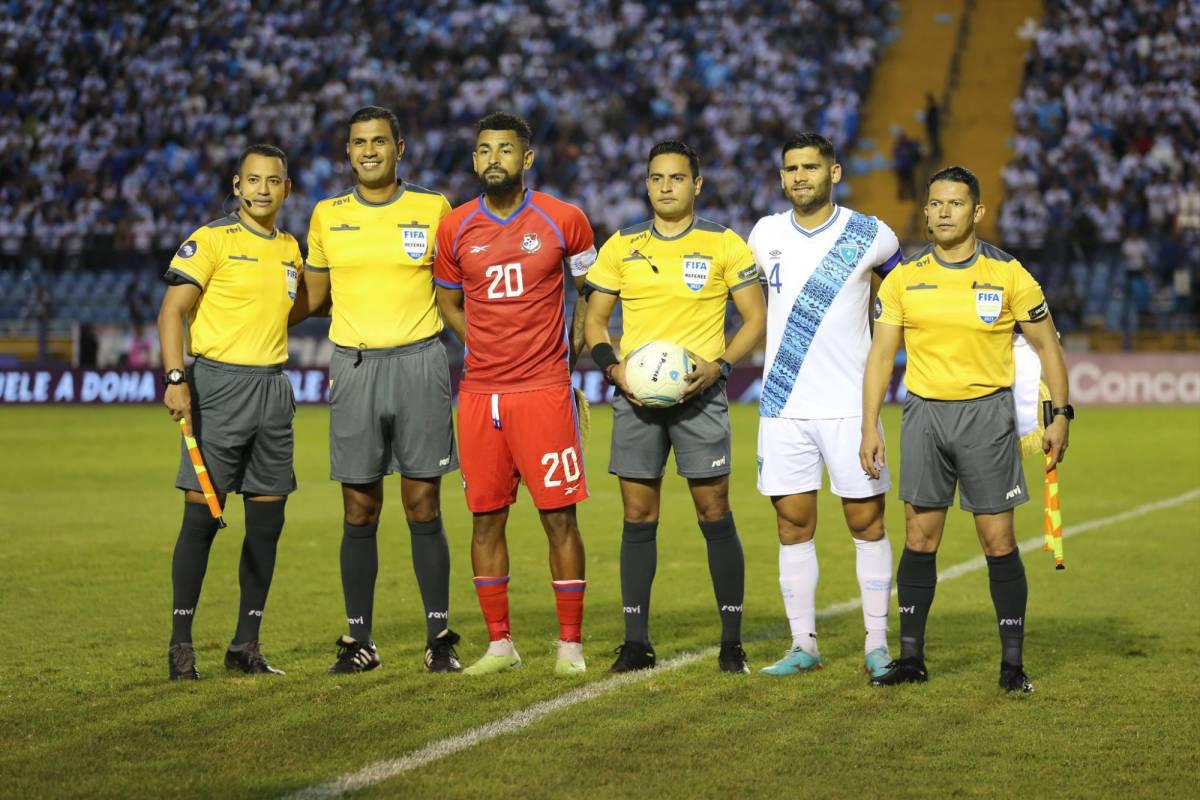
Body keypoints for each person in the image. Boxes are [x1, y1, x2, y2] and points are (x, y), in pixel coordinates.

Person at [860, 165, 1072, 693]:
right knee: (919, 537)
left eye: (954, 204)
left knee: (997, 540)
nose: (943, 213)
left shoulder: (1008, 273)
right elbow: (880, 357)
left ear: (976, 211)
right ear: (926, 211)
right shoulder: (906, 277)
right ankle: (911, 659)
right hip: (924, 416)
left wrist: (1061, 414)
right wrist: (870, 427)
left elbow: (1049, 345)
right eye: (935, 204)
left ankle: (1012, 665)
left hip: (987, 417)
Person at [584, 140, 767, 674]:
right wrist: (613, 369)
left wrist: (719, 367)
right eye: (657, 178)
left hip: (700, 397)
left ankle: (731, 641)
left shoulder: (725, 243)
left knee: (715, 513)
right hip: (636, 400)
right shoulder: (621, 245)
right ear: (647, 184)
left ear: (697, 185)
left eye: (677, 178)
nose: (666, 186)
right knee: (638, 516)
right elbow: (595, 321)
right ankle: (636, 643)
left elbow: (753, 318)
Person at [299, 106, 462, 674]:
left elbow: (455, 288)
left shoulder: (433, 207)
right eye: (358, 143)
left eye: (379, 142)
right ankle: (358, 641)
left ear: (399, 148)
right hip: (355, 366)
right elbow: (313, 299)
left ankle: (439, 636)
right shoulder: (326, 214)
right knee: (359, 507)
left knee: (423, 504)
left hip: (421, 363)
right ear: (348, 153)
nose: (368, 151)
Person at [434, 112, 597, 675]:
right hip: (480, 396)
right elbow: (449, 302)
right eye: (484, 150)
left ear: (527, 159)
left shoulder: (564, 220)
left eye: (506, 149)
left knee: (559, 519)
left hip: (544, 393)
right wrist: (479, 341)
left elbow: (589, 295)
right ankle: (500, 644)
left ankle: (569, 646)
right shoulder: (454, 227)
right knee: (485, 520)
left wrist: (569, 363)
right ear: (475, 159)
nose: (493, 159)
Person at [747, 132, 904, 680]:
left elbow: (900, 301)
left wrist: (874, 416)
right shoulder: (764, 234)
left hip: (848, 406)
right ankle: (802, 645)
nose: (799, 177)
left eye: (810, 167)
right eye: (790, 168)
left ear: (833, 173)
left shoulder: (871, 235)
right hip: (783, 405)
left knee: (866, 522)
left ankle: (877, 644)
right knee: (792, 525)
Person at [157, 144, 304, 680]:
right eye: (253, 180)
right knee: (200, 521)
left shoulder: (292, 248)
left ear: (286, 188)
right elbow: (172, 310)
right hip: (218, 387)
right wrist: (176, 378)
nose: (263, 189)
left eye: (274, 180)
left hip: (273, 390)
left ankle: (246, 644)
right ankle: (180, 645)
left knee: (267, 523)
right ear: (238, 186)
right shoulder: (212, 239)